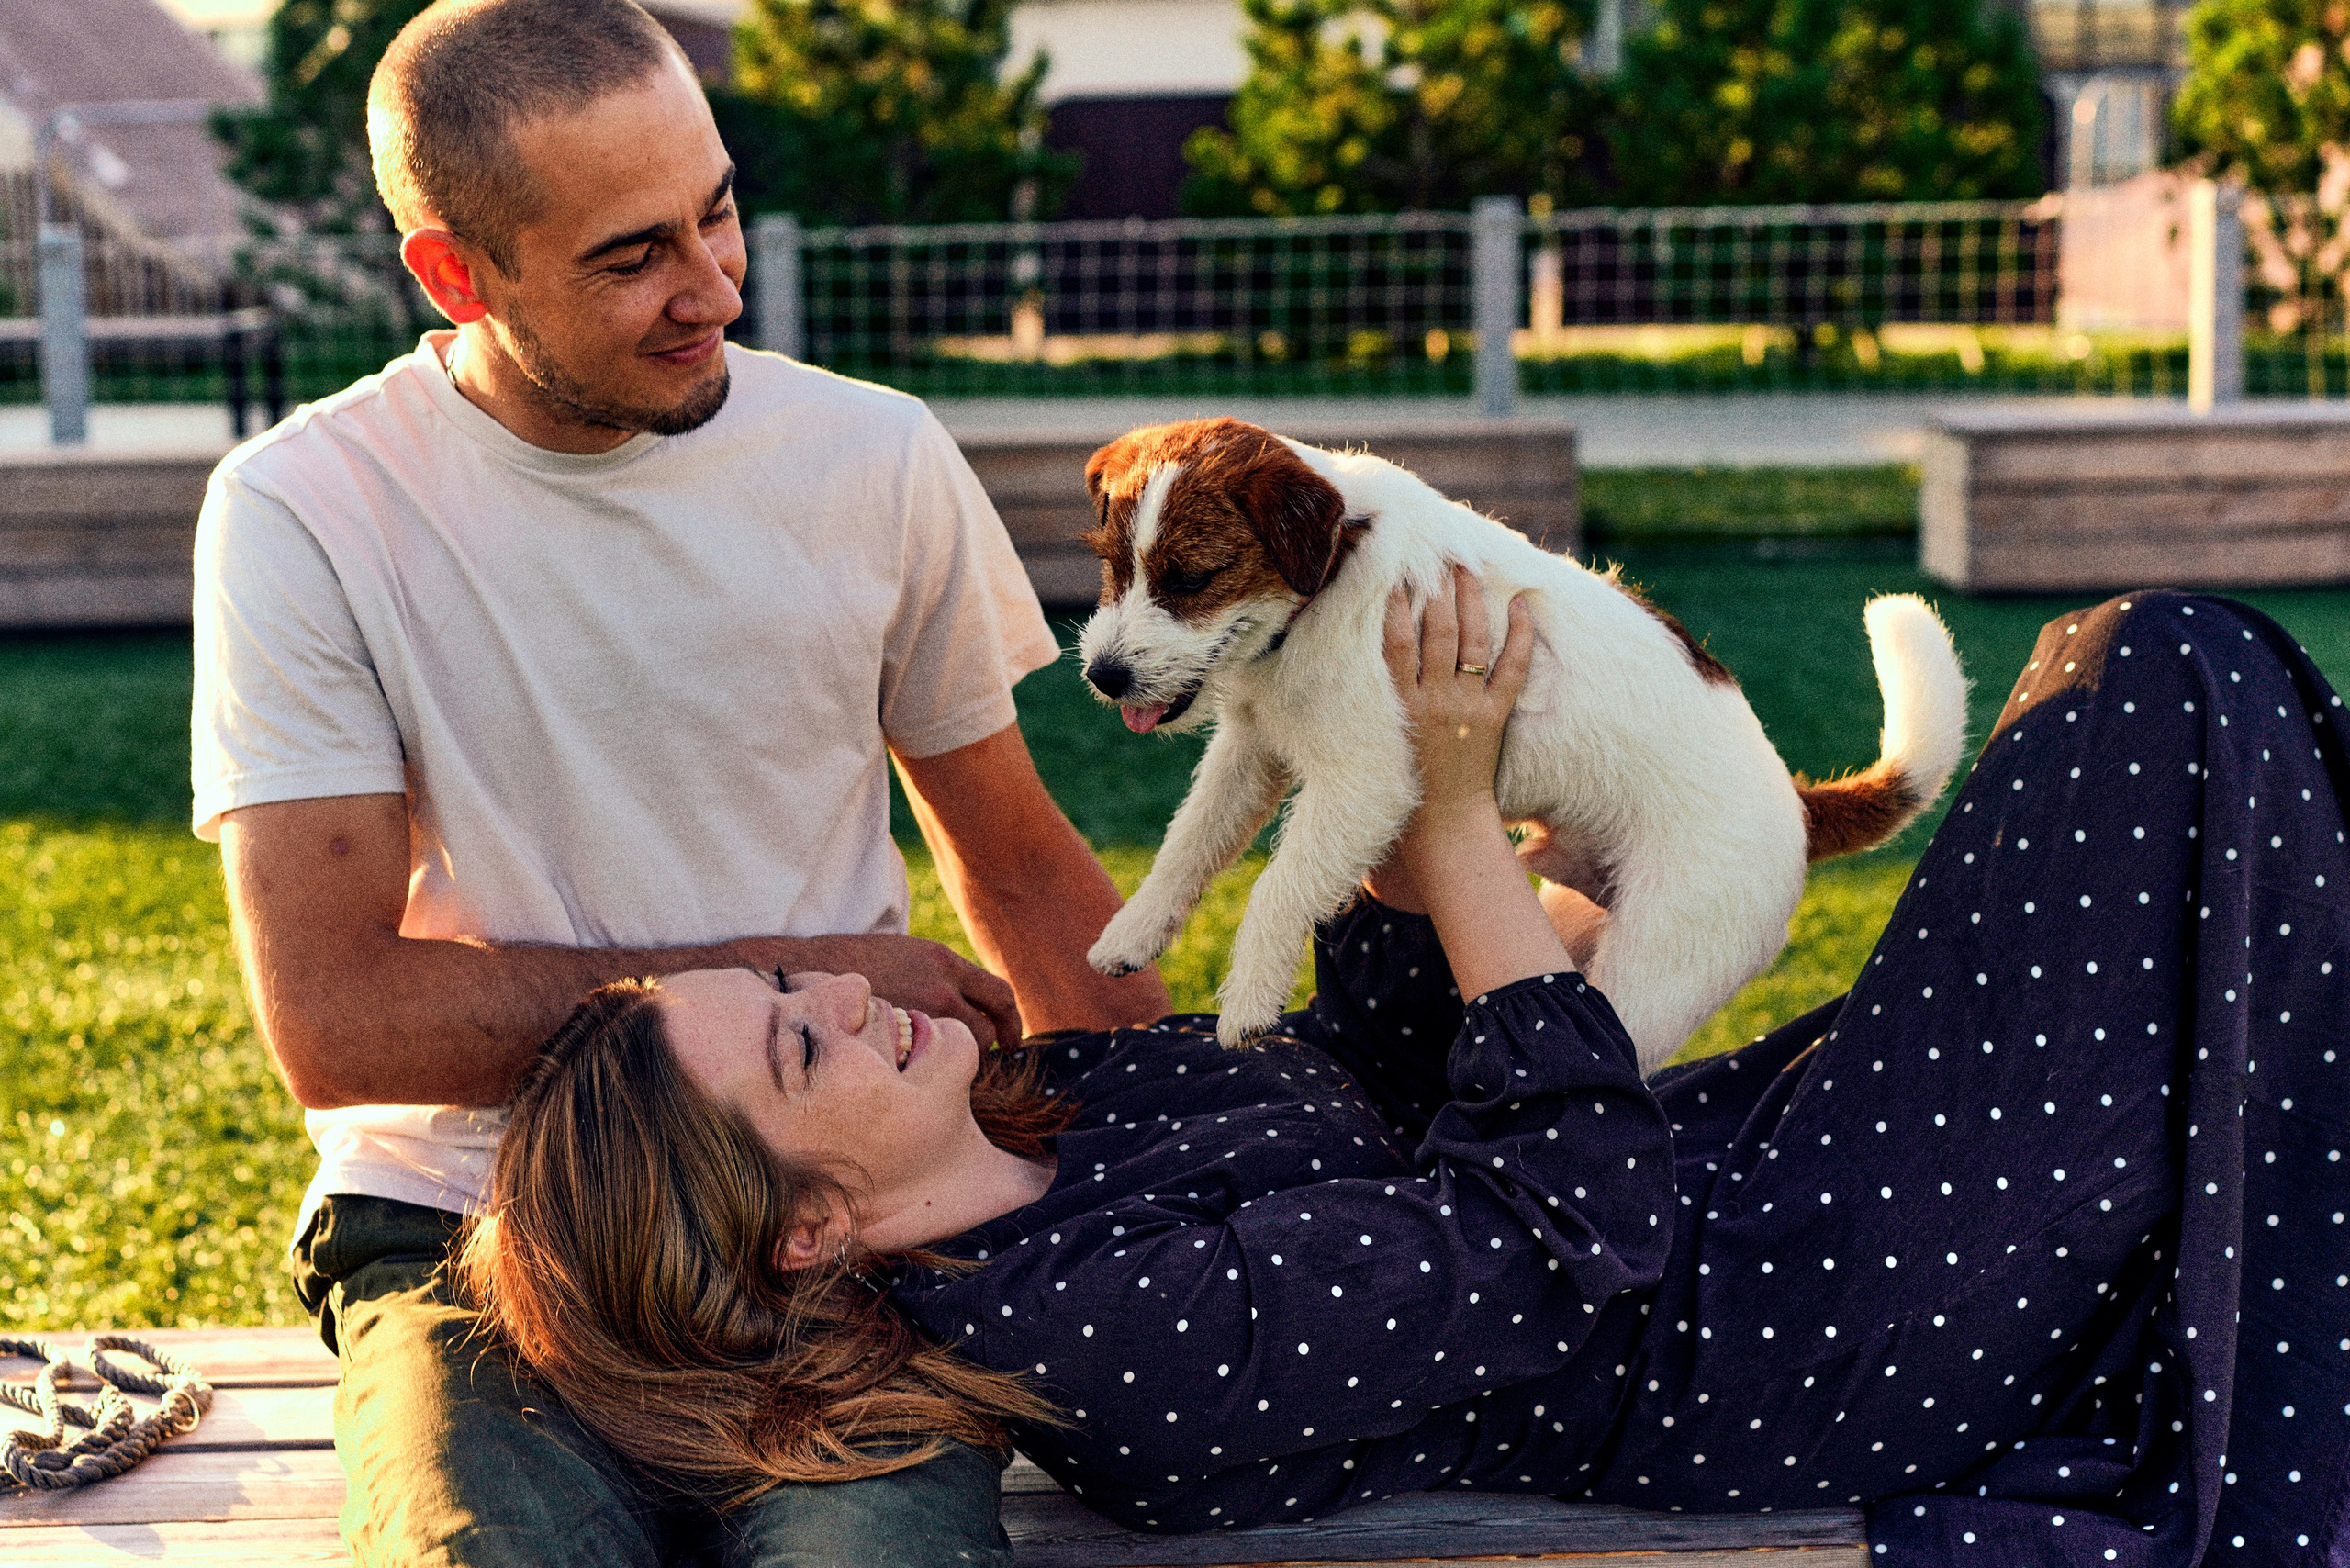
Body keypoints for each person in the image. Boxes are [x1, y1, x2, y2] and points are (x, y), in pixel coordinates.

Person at [471, 574, 2349, 1568]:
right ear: (803, 1226)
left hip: (1756, 1182)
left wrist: (1393, 811)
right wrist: (1456, 842)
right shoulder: (1096, 1342)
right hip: (1796, 1320)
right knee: (2151, 688)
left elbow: (1361, 1076)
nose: (858, 987)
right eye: (803, 1037)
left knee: (2165, 742)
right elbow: (1562, 1229)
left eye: (797, 970)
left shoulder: (1051, 1099)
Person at [191, 2, 1167, 1563]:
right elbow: (339, 1022)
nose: (712, 286)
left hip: (820, 1215)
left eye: (716, 212)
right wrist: (806, 974)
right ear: (456, 274)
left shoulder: (874, 455)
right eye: (629, 254)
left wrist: (1203, 1135)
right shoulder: (305, 508)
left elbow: (1019, 861)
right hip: (471, 1222)